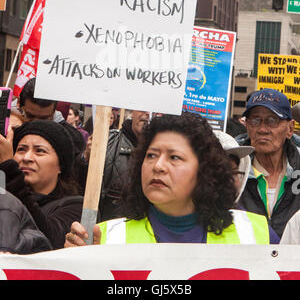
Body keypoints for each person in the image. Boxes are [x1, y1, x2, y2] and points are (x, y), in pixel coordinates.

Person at [65, 113, 273, 247]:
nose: (158, 166)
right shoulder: (103, 238)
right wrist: (79, 264)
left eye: (174, 157)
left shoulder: (256, 234)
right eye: (151, 155)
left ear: (204, 170)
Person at [0, 120, 83, 249]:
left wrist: (9, 170)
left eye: (40, 151)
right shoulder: (4, 192)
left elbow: (48, 239)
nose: (27, 158)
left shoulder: (75, 206)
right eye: (21, 149)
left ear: (61, 166)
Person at [236, 88, 300, 239]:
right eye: (255, 120)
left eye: (272, 121)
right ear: (247, 126)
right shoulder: (232, 169)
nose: (262, 129)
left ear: (290, 129)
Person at [77, 109, 150, 221]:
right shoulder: (107, 140)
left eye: (153, 111)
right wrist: (87, 158)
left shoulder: (162, 148)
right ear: (132, 112)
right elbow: (80, 183)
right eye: (143, 108)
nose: (147, 114)